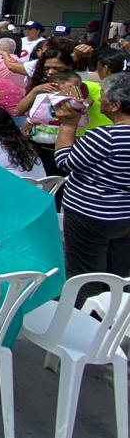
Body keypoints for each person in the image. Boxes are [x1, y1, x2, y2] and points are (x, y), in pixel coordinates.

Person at [54, 73, 130, 296]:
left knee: (85, 274)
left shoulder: (106, 137)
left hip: (91, 214)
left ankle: (85, 319)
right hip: (124, 214)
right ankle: (115, 313)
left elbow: (65, 161)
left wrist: (68, 125)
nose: (100, 100)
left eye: (104, 96)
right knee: (120, 270)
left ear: (116, 105)